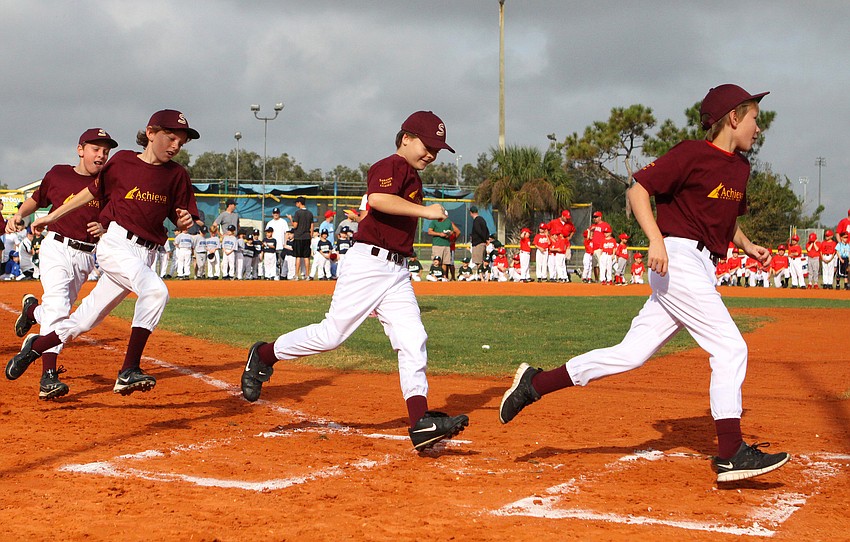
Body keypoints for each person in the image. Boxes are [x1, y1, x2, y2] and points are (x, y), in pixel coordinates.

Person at [498, 85, 790, 483]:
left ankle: (536, 383)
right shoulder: (691, 153)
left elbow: (725, 219)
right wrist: (656, 239)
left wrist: (747, 244)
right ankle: (730, 452)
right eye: (754, 117)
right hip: (678, 259)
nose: (759, 126)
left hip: (702, 266)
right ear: (733, 118)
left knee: (631, 353)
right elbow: (638, 190)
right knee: (731, 347)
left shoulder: (740, 168)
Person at [240, 110, 468, 451]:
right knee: (332, 335)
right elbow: (378, 198)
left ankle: (420, 422)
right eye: (427, 145)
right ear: (405, 138)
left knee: (413, 338)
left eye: (437, 149)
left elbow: (380, 210)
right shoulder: (390, 165)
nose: (432, 154)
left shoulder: (413, 177)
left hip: (397, 270)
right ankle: (265, 354)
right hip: (368, 265)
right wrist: (426, 211)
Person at [7, 109, 201, 396]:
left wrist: (186, 222)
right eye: (170, 137)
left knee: (84, 320)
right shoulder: (122, 162)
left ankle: (33, 349)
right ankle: (128, 370)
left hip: (146, 253)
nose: (175, 146)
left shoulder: (177, 175)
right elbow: (91, 192)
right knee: (156, 291)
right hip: (116, 245)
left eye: (181, 143)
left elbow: (185, 218)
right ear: (150, 133)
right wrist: (51, 216)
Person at [5, 128, 117, 400]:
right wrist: (19, 214)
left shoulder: (109, 184)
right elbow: (36, 199)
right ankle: (48, 376)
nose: (101, 154)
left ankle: (33, 312)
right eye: (95, 148)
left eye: (106, 150)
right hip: (56, 247)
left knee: (61, 314)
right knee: (58, 307)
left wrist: (104, 227)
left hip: (86, 256)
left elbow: (116, 218)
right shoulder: (58, 173)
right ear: (80, 150)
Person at [427, 214, 459, 279]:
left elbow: (453, 231)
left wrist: (449, 234)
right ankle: (435, 276)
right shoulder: (434, 221)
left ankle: (443, 277)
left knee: (445, 262)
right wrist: (439, 234)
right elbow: (429, 231)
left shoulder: (448, 222)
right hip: (437, 244)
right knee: (436, 262)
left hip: (446, 245)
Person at [290, 197, 314, 280]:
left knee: (298, 257)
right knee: (306, 257)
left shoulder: (298, 213)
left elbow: (295, 225)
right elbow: (312, 226)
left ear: (300, 203)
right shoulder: (310, 213)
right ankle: (307, 275)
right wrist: (310, 236)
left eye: (297, 202)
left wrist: (290, 220)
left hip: (298, 237)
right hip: (307, 237)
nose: (296, 204)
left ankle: (296, 275)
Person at [266, 207, 290, 279]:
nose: (276, 214)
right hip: (272, 246)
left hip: (281, 245)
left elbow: (286, 233)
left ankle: (282, 276)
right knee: (273, 263)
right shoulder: (270, 223)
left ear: (279, 214)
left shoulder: (283, 222)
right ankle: (274, 276)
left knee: (282, 262)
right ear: (272, 214)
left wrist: (285, 243)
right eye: (274, 213)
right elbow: (267, 234)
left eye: (277, 213)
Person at [469, 205, 489, 272]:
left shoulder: (477, 220)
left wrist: (484, 239)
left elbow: (478, 231)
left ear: (471, 213)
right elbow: (487, 230)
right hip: (482, 242)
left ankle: (481, 276)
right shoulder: (482, 219)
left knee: (478, 262)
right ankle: (482, 275)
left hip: (478, 243)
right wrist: (486, 239)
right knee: (481, 260)